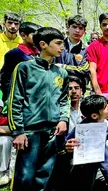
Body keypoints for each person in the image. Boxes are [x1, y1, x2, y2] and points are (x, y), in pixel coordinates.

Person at [8, 27, 69, 191]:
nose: (62, 47)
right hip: (30, 132)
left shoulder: (61, 73)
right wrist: (18, 131)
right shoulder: (24, 68)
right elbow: (15, 100)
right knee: (25, 176)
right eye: (58, 43)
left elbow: (64, 99)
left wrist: (63, 119)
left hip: (52, 132)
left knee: (44, 177)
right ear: (43, 44)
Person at [64, 95, 108, 191]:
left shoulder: (103, 122)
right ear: (94, 115)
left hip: (99, 164)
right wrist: (67, 147)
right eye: (105, 107)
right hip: (84, 168)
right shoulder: (89, 129)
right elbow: (107, 164)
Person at [0, 22, 41, 101]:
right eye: (34, 35)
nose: (38, 39)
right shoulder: (14, 54)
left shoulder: (40, 54)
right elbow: (6, 80)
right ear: (23, 35)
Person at [0, 100, 10, 186]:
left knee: (4, 140)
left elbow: (11, 130)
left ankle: (3, 172)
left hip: (4, 140)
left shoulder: (6, 119)